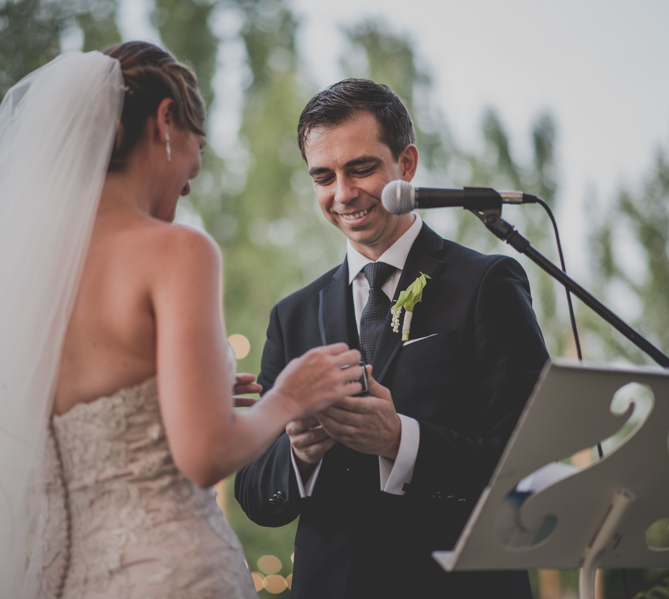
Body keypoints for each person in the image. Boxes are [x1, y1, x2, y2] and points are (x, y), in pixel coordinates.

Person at [0, 42, 364, 598]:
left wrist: (169, 400)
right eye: (193, 161)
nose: (189, 186)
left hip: (61, 579)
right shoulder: (178, 253)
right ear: (165, 121)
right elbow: (204, 457)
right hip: (171, 573)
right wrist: (291, 396)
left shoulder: (28, 270)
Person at [234, 79, 550, 598]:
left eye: (360, 168)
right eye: (323, 176)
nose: (342, 194)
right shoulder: (291, 316)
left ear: (406, 164)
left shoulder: (487, 284)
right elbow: (254, 494)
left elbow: (531, 462)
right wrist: (299, 452)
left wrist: (400, 441)